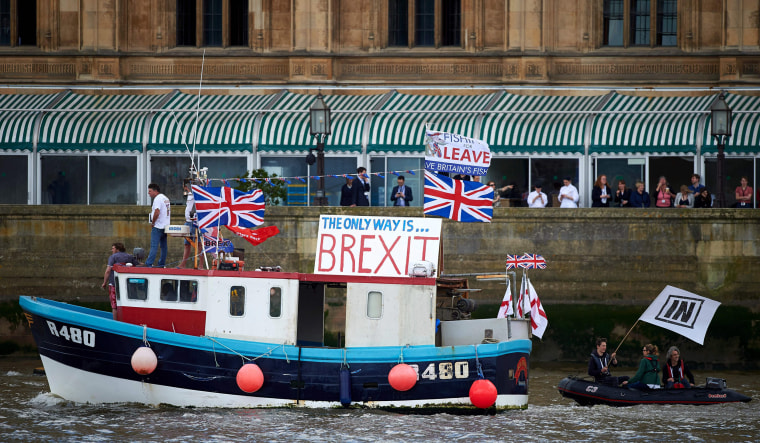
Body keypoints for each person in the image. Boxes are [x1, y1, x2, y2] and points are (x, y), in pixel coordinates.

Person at [101, 242, 135, 320]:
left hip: (113, 283)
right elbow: (138, 265)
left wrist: (104, 282)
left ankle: (116, 323)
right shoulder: (130, 256)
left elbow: (108, 271)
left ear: (117, 249)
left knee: (114, 305)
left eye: (113, 248)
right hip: (127, 285)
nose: (111, 250)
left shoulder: (113, 257)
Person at [145, 183, 171, 268]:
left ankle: (149, 263)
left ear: (155, 191)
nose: (149, 193)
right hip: (165, 226)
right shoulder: (165, 198)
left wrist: (153, 222)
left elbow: (157, 211)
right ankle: (161, 263)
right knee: (164, 247)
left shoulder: (157, 199)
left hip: (158, 226)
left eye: (150, 191)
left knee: (154, 245)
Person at [178, 182, 198, 269]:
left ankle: (199, 264)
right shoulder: (189, 195)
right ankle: (183, 264)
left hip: (194, 222)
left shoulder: (195, 194)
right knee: (187, 243)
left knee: (199, 244)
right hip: (188, 221)